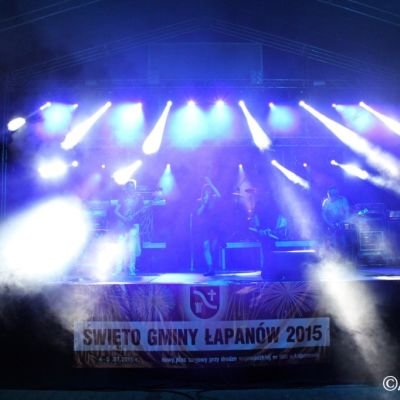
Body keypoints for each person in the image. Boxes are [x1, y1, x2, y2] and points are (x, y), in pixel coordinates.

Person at [113, 179, 144, 276]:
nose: (131, 189)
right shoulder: (122, 198)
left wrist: (138, 213)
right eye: (129, 187)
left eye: (133, 187)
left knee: (132, 248)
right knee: (120, 247)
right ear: (126, 188)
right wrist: (124, 218)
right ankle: (118, 269)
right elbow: (116, 211)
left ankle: (131, 269)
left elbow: (142, 211)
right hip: (123, 225)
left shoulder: (139, 198)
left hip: (134, 225)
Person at [195, 177, 222, 276]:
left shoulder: (213, 200)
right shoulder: (200, 201)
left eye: (209, 191)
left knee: (213, 248)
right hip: (205, 227)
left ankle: (214, 267)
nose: (207, 193)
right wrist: (204, 203)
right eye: (205, 192)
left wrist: (210, 183)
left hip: (214, 226)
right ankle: (210, 268)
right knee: (206, 247)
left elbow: (219, 195)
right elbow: (198, 213)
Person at [321, 186, 353, 257]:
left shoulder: (343, 200)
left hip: (342, 222)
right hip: (330, 224)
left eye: (335, 193)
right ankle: (333, 255)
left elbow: (347, 211)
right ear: (329, 194)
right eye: (332, 193)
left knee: (344, 240)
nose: (334, 195)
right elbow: (324, 214)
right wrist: (330, 224)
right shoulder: (326, 202)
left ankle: (346, 255)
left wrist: (344, 221)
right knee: (332, 241)